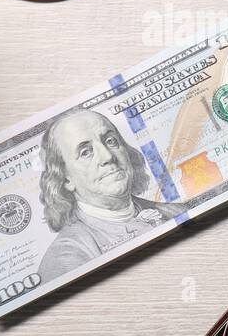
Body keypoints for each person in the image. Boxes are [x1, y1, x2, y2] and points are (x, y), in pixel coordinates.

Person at [37, 110, 183, 283]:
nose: (107, 156)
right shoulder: (66, 257)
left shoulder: (177, 212)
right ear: (65, 179)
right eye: (85, 152)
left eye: (110, 141)